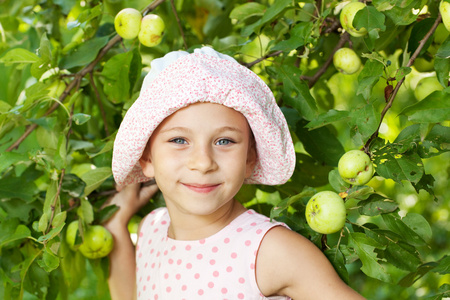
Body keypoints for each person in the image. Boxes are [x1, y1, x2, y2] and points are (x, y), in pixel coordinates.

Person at [105, 47, 365, 300]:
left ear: (250, 158)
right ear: (147, 157)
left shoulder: (271, 251)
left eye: (224, 141)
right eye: (179, 140)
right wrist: (116, 223)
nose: (203, 163)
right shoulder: (152, 228)